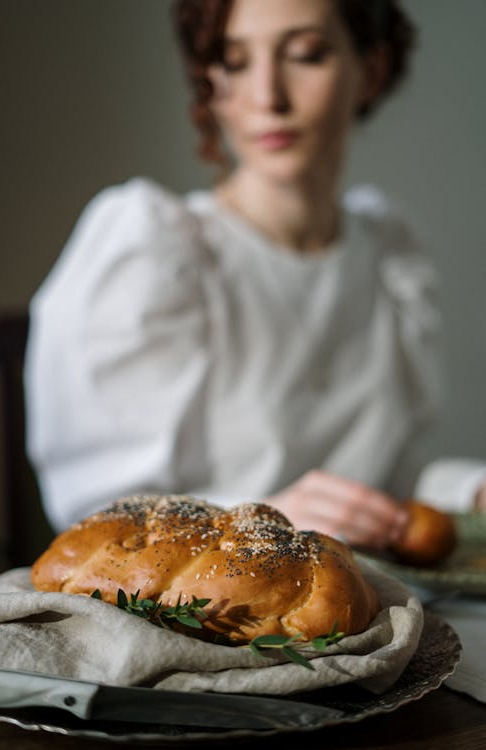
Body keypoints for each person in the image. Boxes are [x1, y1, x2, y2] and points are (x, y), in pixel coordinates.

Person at [24, 0, 486, 545]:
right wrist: (259, 519)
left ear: (372, 70)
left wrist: (471, 489)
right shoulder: (154, 253)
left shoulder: (388, 254)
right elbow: (99, 522)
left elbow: (386, 479)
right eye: (234, 62)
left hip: (359, 603)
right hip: (207, 611)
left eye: (305, 55)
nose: (269, 97)